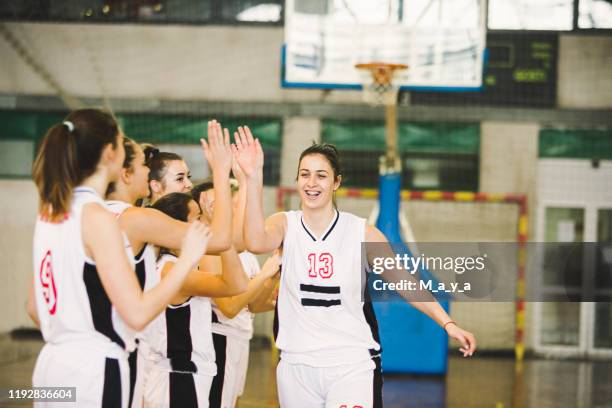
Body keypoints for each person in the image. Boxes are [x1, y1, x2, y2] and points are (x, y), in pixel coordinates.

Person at [233, 127, 477, 408]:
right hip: (296, 365)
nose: (312, 182)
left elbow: (405, 283)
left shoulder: (362, 233)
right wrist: (253, 179)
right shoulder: (284, 224)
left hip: (351, 364)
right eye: (304, 174)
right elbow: (254, 241)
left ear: (336, 182)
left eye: (321, 175)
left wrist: (447, 323)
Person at [27, 109, 210, 407]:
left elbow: (35, 307)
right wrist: (187, 260)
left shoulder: (49, 212)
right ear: (111, 153)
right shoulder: (97, 217)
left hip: (51, 365)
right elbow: (136, 313)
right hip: (93, 369)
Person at [104, 120, 235, 407]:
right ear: (126, 174)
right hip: (132, 360)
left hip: (83, 355)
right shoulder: (140, 222)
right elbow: (223, 242)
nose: (146, 167)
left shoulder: (80, 216)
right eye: (142, 164)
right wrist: (222, 174)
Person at [143, 192, 251, 407]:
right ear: (178, 227)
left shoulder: (173, 263)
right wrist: (222, 237)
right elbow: (236, 284)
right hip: (178, 377)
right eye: (198, 218)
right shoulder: (171, 268)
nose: (204, 224)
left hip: (179, 375)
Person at [191, 171, 280, 408]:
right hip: (218, 336)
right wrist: (264, 274)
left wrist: (275, 284)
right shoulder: (210, 248)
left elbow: (252, 304)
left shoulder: (241, 251)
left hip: (239, 336)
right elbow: (229, 307)